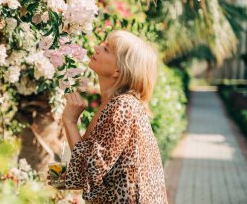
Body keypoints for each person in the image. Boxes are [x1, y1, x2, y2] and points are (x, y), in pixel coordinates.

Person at [58, 30, 168, 203]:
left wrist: (70, 122)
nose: (96, 48)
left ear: (119, 70)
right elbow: (91, 169)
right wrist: (59, 176)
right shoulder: (113, 104)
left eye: (107, 49)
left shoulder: (123, 106)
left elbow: (90, 169)